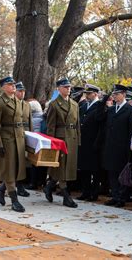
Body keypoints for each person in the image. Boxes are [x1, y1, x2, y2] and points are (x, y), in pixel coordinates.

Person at [0, 76, 27, 213]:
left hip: (18, 139)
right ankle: (14, 200)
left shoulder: (17, 101)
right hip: (7, 139)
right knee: (9, 171)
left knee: (15, 169)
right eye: (10, 84)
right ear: (3, 87)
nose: (13, 86)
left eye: (14, 84)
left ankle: (0, 189)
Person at [44, 78, 80, 208]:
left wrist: (78, 139)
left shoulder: (75, 104)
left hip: (72, 138)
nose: (68, 89)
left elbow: (77, 125)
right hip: (60, 139)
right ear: (58, 89)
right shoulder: (54, 105)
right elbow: (51, 127)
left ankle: (49, 186)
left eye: (69, 87)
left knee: (66, 167)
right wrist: (51, 143)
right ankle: (66, 196)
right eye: (65, 87)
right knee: (62, 167)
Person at [101, 84, 132, 207]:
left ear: (124, 95)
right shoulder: (111, 110)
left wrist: (130, 149)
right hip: (111, 146)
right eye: (114, 94)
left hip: (123, 148)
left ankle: (122, 198)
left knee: (122, 174)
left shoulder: (131, 110)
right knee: (112, 173)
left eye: (117, 94)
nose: (115, 96)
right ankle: (115, 196)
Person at [77, 84, 102, 201]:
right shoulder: (84, 106)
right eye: (86, 93)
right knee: (84, 168)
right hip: (83, 141)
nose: (87, 96)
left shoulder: (99, 106)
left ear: (95, 94)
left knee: (94, 169)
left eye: (89, 93)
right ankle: (85, 191)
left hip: (93, 141)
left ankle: (94, 192)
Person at [15, 82, 33, 197]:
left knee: (23, 163)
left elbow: (29, 122)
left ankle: (19, 185)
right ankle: (13, 186)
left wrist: (30, 137)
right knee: (15, 163)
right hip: (14, 136)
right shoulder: (11, 104)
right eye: (20, 91)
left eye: (23, 91)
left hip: (24, 136)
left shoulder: (27, 105)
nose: (22, 93)